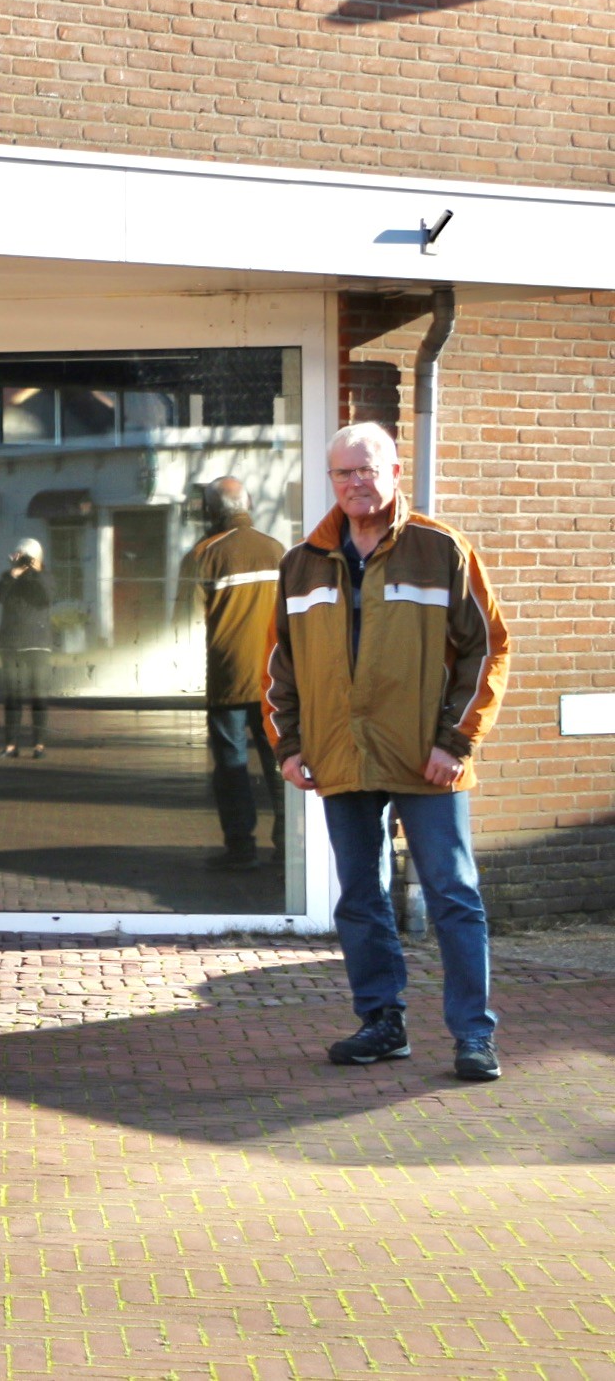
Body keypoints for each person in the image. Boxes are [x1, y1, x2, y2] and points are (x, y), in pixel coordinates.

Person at [266, 423, 510, 1081]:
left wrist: (456, 741)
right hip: (340, 758)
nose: (355, 483)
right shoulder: (301, 564)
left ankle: (472, 1035)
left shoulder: (440, 550)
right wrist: (289, 745)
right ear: (331, 480)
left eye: (367, 470)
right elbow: (278, 667)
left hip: (426, 758)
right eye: (343, 473)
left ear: (396, 471)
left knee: (453, 894)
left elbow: (487, 651)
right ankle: (382, 1022)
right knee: (360, 897)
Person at [174, 477, 285, 871]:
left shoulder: (204, 555)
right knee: (279, 762)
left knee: (232, 766)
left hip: (228, 681)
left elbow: (183, 623)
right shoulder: (277, 551)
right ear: (248, 503)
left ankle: (241, 848)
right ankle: (287, 846)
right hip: (276, 681)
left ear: (210, 510)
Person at [0, 538, 53, 759]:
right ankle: (11, 745)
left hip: (37, 644)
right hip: (12, 644)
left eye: (27, 557)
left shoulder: (45, 577)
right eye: (20, 555)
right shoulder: (9, 578)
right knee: (12, 696)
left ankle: (39, 745)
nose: (23, 561)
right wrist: (14, 574)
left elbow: (47, 596)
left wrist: (35, 570)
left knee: (39, 695)